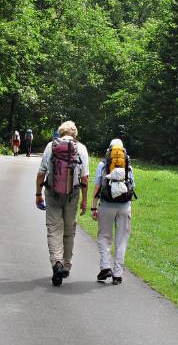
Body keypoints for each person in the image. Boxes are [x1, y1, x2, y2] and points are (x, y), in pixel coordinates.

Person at [35, 121, 89, 286]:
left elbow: (41, 173)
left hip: (52, 193)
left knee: (53, 229)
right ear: (75, 134)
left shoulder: (51, 146)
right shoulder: (81, 148)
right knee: (68, 229)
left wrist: (38, 194)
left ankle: (56, 262)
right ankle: (66, 265)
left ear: (60, 132)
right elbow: (85, 178)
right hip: (72, 194)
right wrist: (85, 200)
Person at [91, 138, 135, 285]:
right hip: (124, 205)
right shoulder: (128, 165)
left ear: (109, 150)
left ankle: (105, 267)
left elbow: (97, 187)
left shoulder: (102, 164)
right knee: (122, 239)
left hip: (106, 204)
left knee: (104, 236)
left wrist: (93, 206)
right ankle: (117, 274)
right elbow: (132, 186)